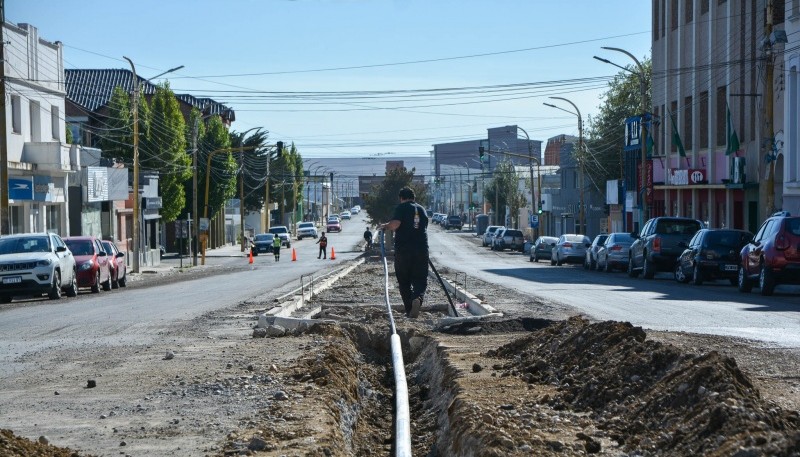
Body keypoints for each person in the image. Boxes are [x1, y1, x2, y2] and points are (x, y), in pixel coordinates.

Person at [380, 186, 429, 318]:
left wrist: (386, 226)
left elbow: (395, 224)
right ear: (414, 198)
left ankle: (409, 310)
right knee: (420, 279)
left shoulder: (401, 208)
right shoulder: (422, 209)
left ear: (401, 198)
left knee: (404, 281)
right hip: (421, 250)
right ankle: (417, 298)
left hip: (404, 251)